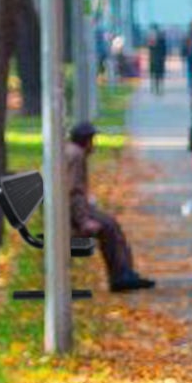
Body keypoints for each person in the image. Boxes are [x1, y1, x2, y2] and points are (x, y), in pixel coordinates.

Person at [67, 121, 154, 292]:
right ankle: (120, 276)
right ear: (86, 141)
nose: (94, 145)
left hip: (68, 211)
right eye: (93, 140)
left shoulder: (72, 152)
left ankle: (124, 273)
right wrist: (84, 220)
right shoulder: (76, 156)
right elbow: (74, 192)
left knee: (111, 223)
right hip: (69, 215)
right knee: (108, 227)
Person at [147, 26, 168, 94]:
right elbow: (164, 52)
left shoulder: (157, 41)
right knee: (157, 75)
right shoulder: (159, 41)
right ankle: (156, 88)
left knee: (157, 75)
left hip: (156, 60)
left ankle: (157, 88)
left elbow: (164, 51)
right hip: (156, 60)